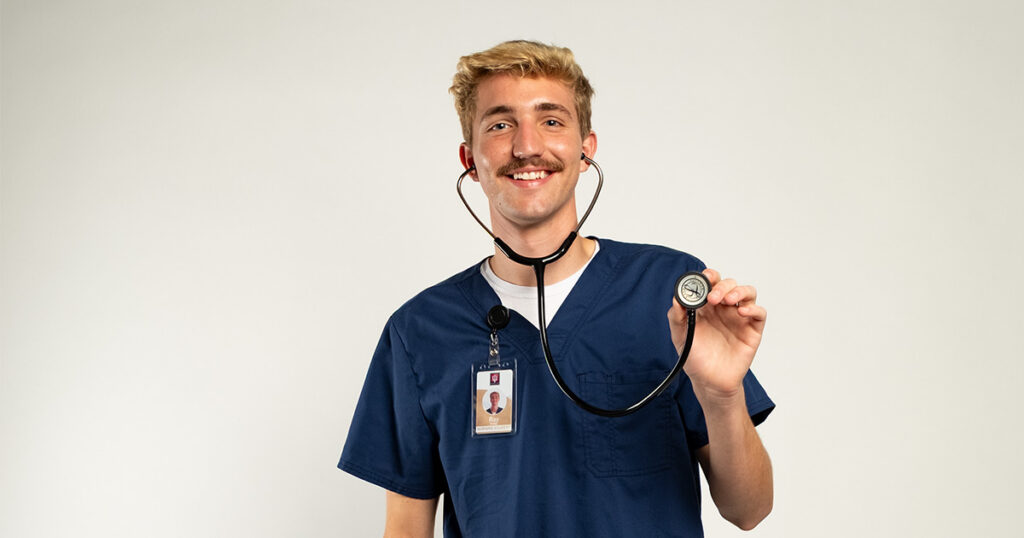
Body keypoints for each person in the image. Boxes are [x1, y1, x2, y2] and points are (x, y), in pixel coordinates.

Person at [339, 40, 774, 537]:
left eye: (551, 120)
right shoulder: (419, 331)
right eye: (500, 124)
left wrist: (721, 394)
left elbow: (750, 510)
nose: (527, 145)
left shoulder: (667, 291)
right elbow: (406, 527)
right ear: (469, 158)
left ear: (586, 149)